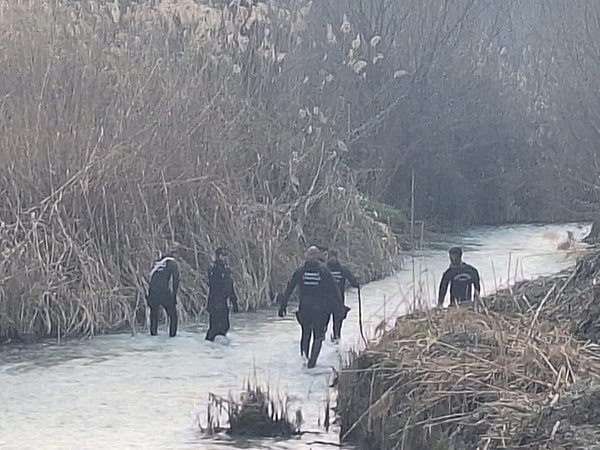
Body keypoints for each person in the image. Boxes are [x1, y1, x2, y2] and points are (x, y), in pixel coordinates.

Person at [278, 246, 344, 368]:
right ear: (318, 256)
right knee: (318, 336)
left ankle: (304, 359)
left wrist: (283, 306)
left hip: (305, 309)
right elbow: (334, 290)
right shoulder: (324, 271)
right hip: (320, 310)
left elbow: (289, 288)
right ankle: (312, 364)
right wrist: (339, 308)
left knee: (305, 333)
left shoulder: (301, 271)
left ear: (307, 256)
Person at [205, 247, 240, 341]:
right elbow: (212, 285)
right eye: (222, 255)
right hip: (215, 302)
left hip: (224, 302)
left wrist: (234, 302)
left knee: (225, 326)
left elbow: (230, 286)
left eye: (226, 256)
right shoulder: (214, 269)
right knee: (214, 328)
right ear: (217, 256)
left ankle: (221, 347)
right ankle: (209, 346)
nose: (224, 258)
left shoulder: (226, 270)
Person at [326, 249, 359, 343]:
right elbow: (353, 282)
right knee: (337, 325)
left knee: (323, 326)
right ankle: (336, 341)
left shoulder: (323, 268)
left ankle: (323, 343)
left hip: (325, 301)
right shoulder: (343, 269)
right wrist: (357, 284)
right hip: (338, 301)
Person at [147, 253, 180, 337]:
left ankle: (153, 334)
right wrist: (174, 297)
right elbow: (175, 281)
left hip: (152, 293)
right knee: (173, 316)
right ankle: (172, 336)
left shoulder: (157, 264)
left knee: (154, 316)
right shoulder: (173, 264)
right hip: (164, 292)